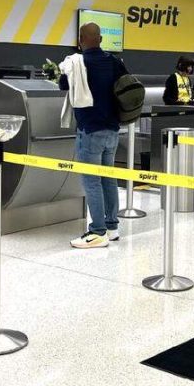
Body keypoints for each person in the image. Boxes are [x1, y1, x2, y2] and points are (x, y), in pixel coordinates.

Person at [59, 22, 129, 249]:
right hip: (112, 129)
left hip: (90, 130)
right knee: (108, 178)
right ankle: (112, 227)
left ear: (80, 41)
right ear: (100, 39)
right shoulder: (114, 62)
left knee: (91, 181)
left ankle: (97, 232)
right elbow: (127, 85)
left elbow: (63, 85)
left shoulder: (77, 62)